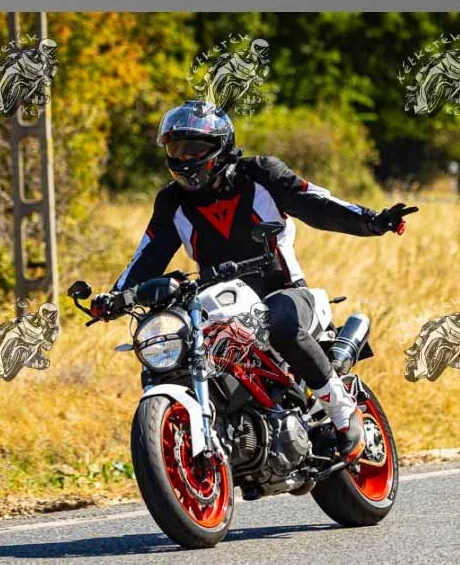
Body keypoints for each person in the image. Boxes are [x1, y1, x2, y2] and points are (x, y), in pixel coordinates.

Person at [89, 100, 418, 461]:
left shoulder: (261, 173)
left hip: (283, 291)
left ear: (220, 146)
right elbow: (149, 253)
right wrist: (115, 297)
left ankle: (342, 410)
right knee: (172, 350)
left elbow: (316, 203)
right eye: (176, 149)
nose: (185, 158)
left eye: (194, 148)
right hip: (218, 306)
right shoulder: (172, 201)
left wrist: (372, 221)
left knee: (279, 323)